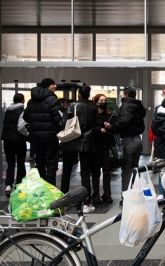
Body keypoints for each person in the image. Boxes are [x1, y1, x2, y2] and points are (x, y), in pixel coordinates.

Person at [104, 87, 146, 206]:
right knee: (135, 168)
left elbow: (125, 120)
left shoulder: (126, 105)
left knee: (127, 171)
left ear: (126, 94)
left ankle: (126, 198)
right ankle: (135, 194)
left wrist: (113, 127)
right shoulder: (138, 105)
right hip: (138, 139)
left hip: (129, 140)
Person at [60, 85, 98, 213]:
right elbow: (94, 124)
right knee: (86, 173)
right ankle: (86, 203)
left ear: (79, 95)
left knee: (66, 172)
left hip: (71, 139)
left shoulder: (72, 106)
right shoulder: (93, 108)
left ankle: (63, 203)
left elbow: (64, 122)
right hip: (86, 141)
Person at [23, 78, 62, 185]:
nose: (55, 86)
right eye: (53, 84)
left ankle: (42, 188)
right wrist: (60, 129)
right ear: (47, 86)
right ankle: (50, 190)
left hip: (36, 138)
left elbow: (26, 117)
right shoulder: (52, 100)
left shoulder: (31, 101)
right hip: (50, 137)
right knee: (51, 164)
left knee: (40, 163)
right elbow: (58, 120)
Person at [91, 94, 117, 204]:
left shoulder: (110, 115)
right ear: (96, 102)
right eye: (101, 100)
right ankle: (95, 195)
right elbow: (89, 128)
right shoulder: (92, 115)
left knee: (107, 171)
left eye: (105, 100)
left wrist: (110, 128)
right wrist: (98, 129)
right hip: (95, 147)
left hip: (106, 146)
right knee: (96, 172)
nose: (103, 102)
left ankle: (107, 194)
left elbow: (115, 129)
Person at [1, 93, 28, 196]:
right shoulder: (22, 112)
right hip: (19, 141)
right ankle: (19, 185)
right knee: (21, 164)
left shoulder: (7, 111)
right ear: (22, 100)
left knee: (10, 164)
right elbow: (21, 127)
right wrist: (28, 134)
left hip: (7, 140)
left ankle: (8, 185)